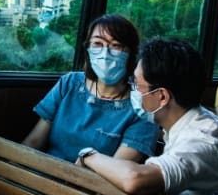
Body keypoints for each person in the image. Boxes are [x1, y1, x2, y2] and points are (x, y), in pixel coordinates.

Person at [77, 38, 218, 195]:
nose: (133, 91)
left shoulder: (204, 140)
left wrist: (89, 155)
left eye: (136, 85)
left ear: (162, 97)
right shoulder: (186, 123)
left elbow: (135, 180)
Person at [22, 14, 159, 163]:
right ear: (88, 48)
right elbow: (34, 142)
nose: (105, 54)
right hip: (45, 170)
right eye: (97, 44)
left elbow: (117, 169)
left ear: (131, 53)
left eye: (116, 45)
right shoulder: (69, 83)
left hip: (91, 178)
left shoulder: (142, 108)